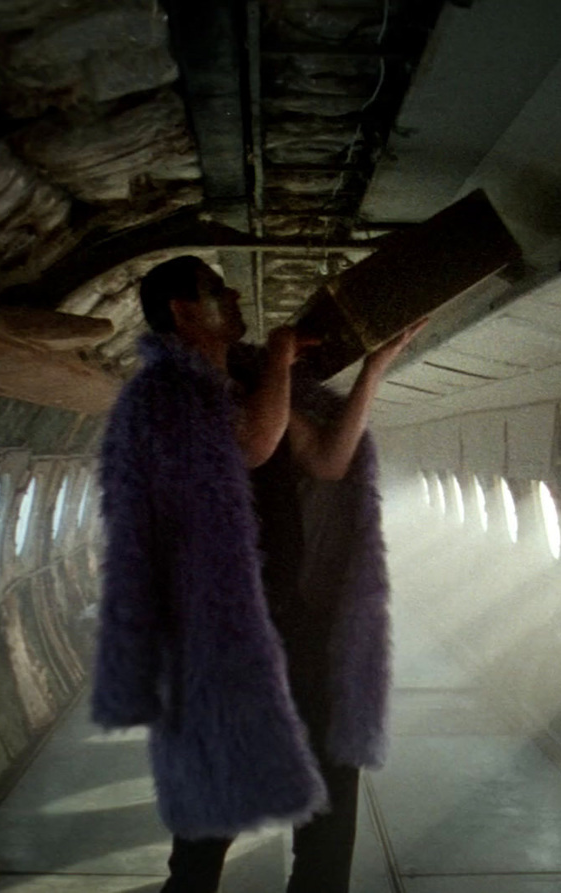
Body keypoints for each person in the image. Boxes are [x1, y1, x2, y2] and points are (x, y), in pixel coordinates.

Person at [92, 255, 423, 893]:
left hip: (290, 620)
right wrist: (277, 356)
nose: (235, 293)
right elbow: (248, 445)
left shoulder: (251, 389)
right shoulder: (163, 398)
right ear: (185, 313)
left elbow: (327, 461)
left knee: (331, 788)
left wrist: (374, 371)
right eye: (217, 290)